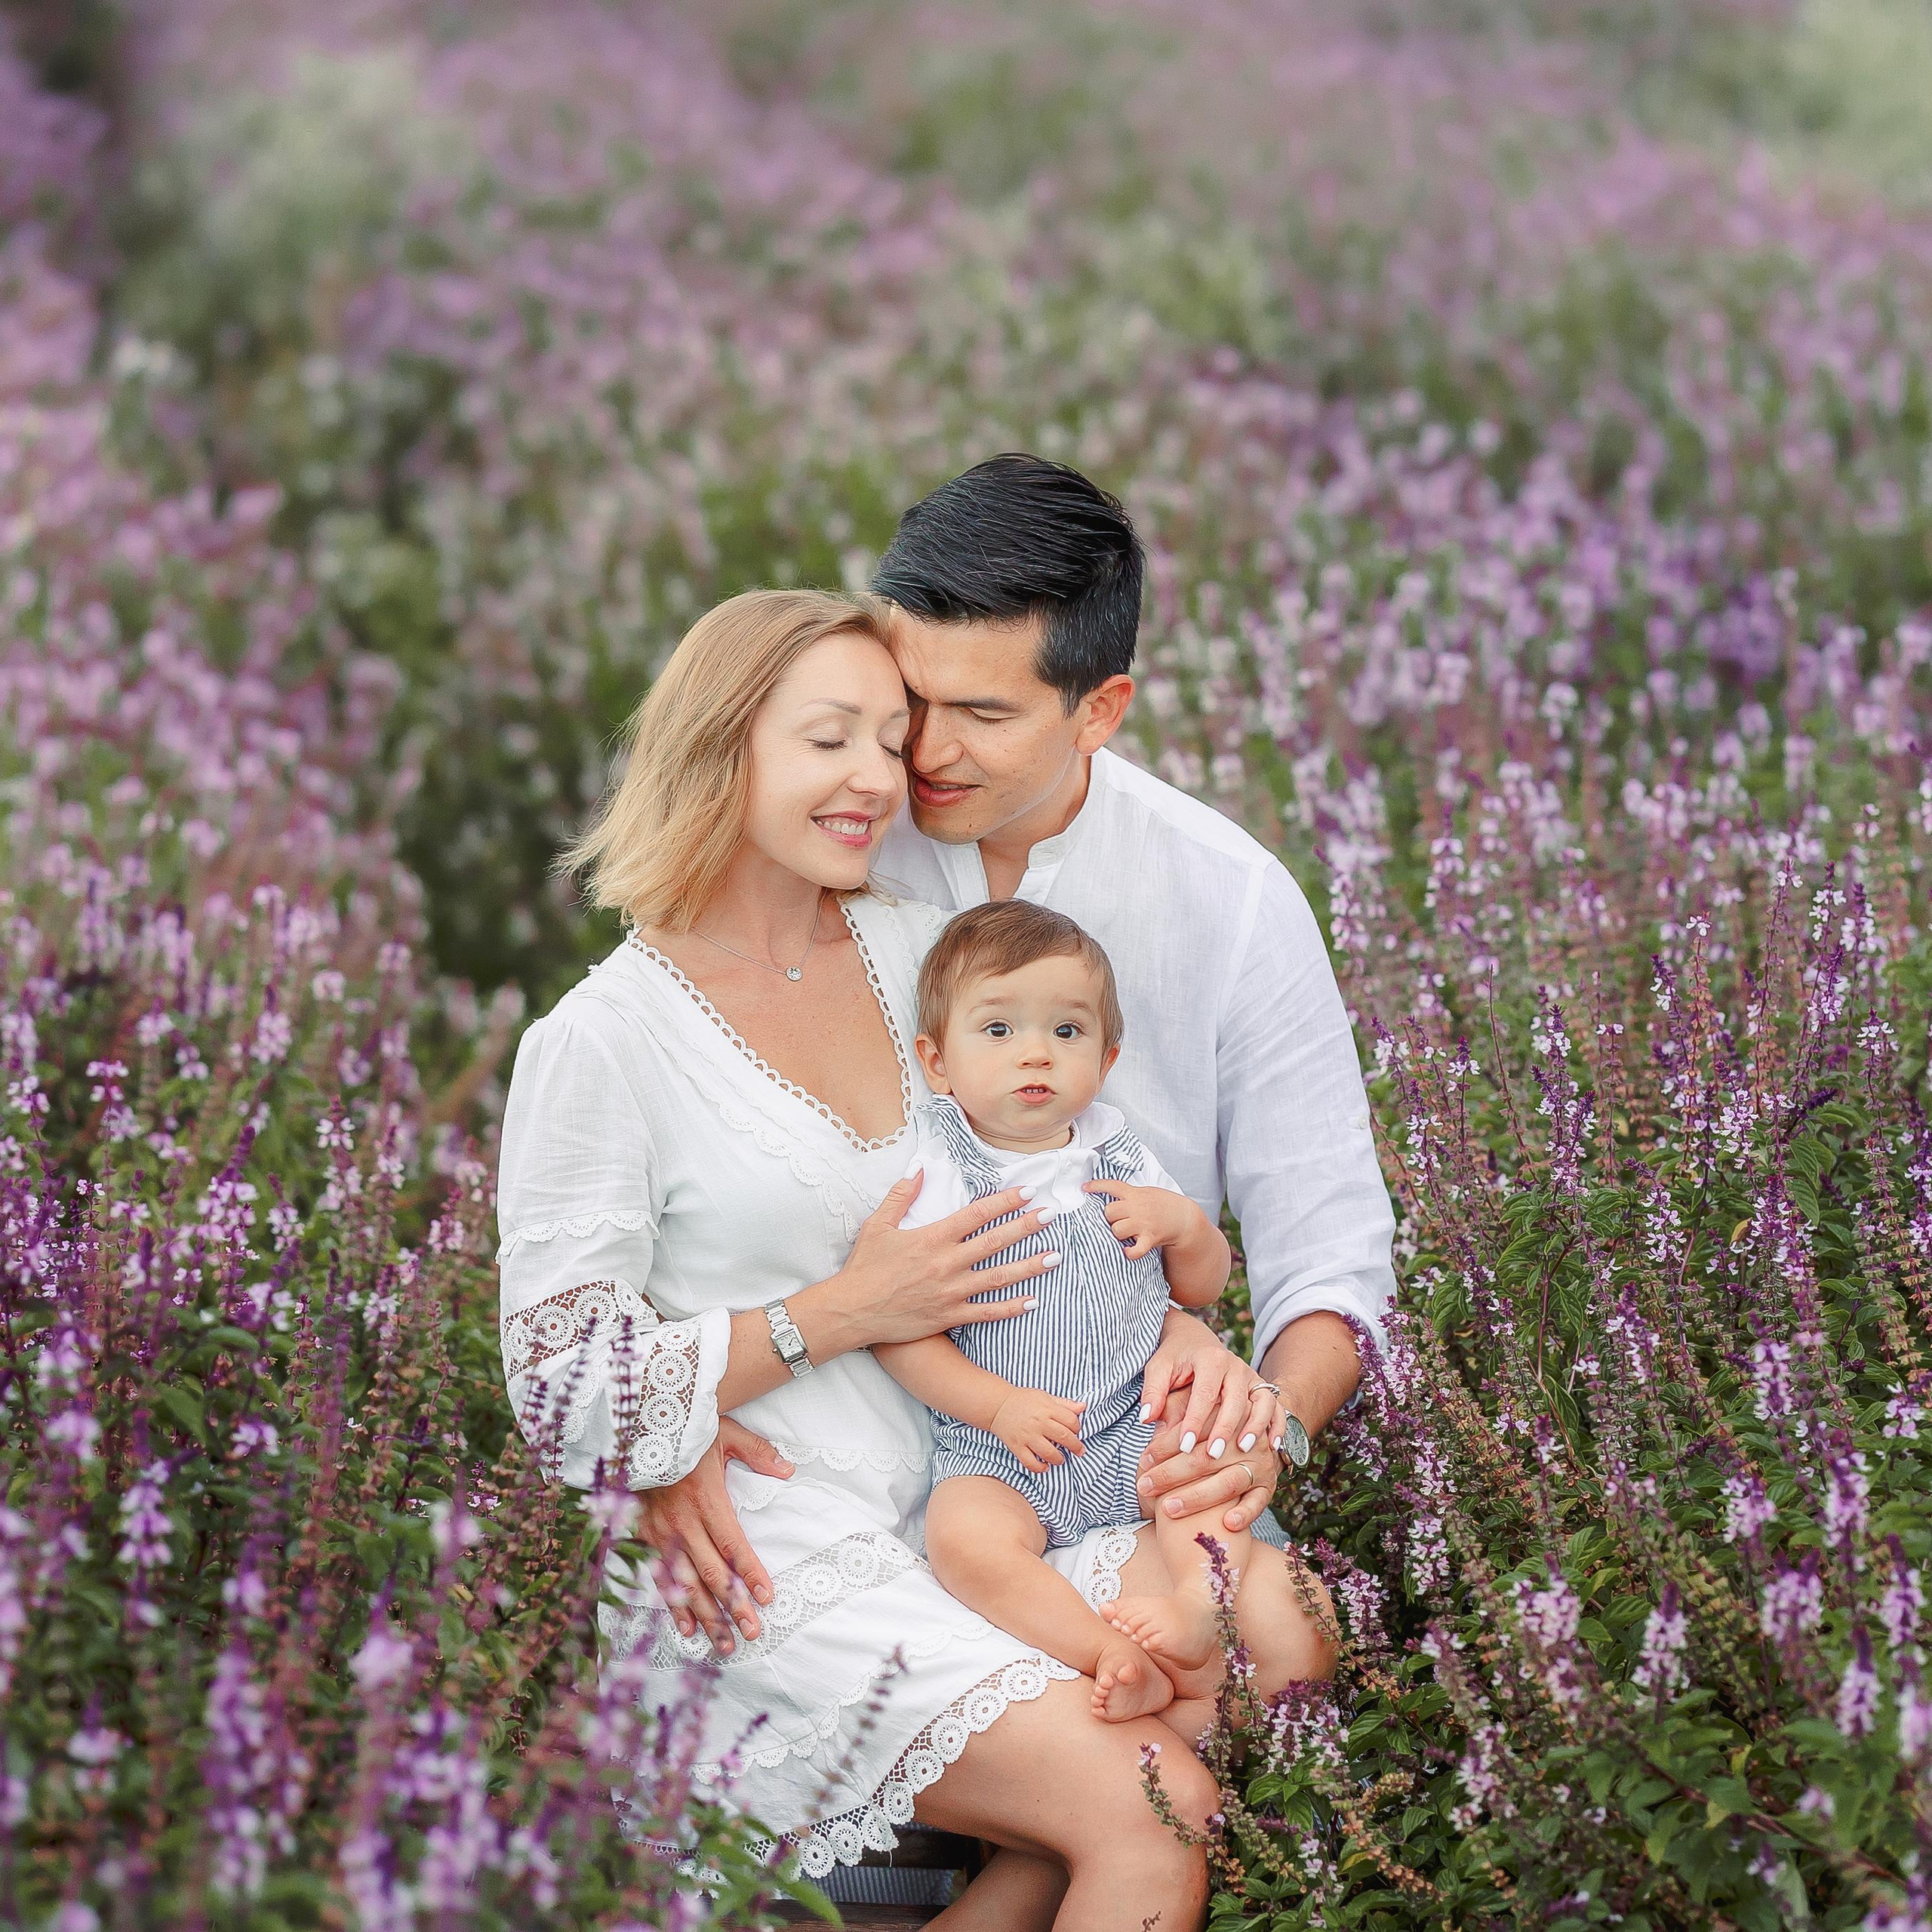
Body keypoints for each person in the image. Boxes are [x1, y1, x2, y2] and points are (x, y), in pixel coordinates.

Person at [496, 588, 1225, 1928]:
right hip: (769, 1558)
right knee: (1148, 1802)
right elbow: (559, 1383)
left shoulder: (915, 952)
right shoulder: (603, 1042)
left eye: (891, 741)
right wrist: (811, 1328)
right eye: (829, 738)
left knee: (1194, 1693)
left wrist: (1172, 1322)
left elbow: (1057, 1172)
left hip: (974, 1507)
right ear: (722, 749)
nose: (875, 778)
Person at [869, 454, 1400, 1556]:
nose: (923, 749)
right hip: (851, 1428)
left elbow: (1332, 1255)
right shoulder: (830, 837)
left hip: (1122, 1447)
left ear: (1099, 710)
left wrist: (1269, 1433)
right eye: (908, 696)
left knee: (1270, 1646)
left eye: (981, 711)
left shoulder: (1231, 896)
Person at [877, 900, 1326, 1727]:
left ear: (1107, 1056)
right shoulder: (941, 1172)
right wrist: (998, 1405)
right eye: (999, 1030)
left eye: (1068, 1032)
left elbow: (1197, 1287)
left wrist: (1187, 1227)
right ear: (936, 1062)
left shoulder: (1118, 1154)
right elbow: (902, 1336)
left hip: (1129, 1419)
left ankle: (1199, 1602)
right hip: (1001, 1445)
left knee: (1210, 1453)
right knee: (963, 1539)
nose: (1037, 1052)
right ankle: (1103, 1650)